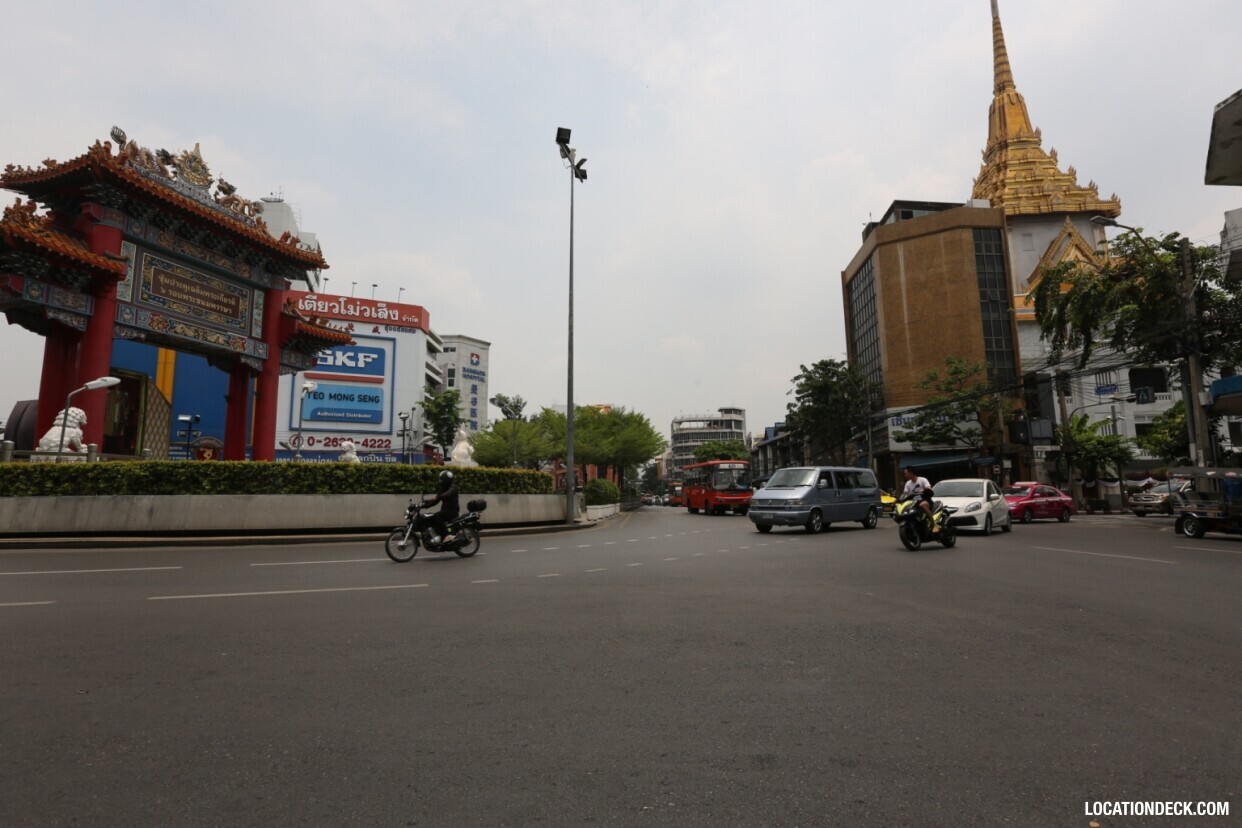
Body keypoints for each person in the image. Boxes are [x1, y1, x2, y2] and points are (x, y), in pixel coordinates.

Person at [424, 469, 460, 545]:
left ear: (447, 480)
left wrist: (438, 497)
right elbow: (435, 502)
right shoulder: (442, 489)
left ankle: (447, 535)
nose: (440, 481)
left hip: (452, 511)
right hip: (445, 510)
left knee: (436, 516)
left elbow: (447, 494)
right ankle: (437, 536)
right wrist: (423, 506)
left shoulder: (453, 488)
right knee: (430, 517)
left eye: (442, 479)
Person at [901, 466, 938, 532]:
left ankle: (934, 525)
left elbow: (928, 488)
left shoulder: (922, 480)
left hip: (925, 500)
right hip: (914, 502)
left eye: (906, 473)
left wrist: (925, 490)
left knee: (922, 505)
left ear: (911, 473)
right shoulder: (908, 483)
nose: (905, 475)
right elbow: (905, 493)